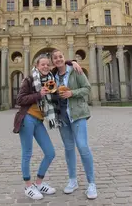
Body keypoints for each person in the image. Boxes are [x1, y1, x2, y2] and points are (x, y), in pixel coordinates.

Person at [13, 54, 82, 200]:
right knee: (27, 153)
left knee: (50, 152)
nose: (45, 66)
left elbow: (61, 64)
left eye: (47, 64)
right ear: (36, 66)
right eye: (42, 64)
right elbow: (19, 99)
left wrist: (73, 62)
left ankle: (38, 183)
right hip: (27, 118)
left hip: (38, 120)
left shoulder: (51, 78)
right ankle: (28, 186)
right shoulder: (29, 79)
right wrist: (39, 94)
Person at [51, 49, 97, 200]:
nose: (58, 59)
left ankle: (91, 183)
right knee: (69, 148)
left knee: (83, 146)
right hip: (62, 116)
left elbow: (87, 88)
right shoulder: (53, 76)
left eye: (60, 57)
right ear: (53, 61)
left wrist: (72, 93)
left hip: (77, 114)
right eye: (55, 58)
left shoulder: (75, 70)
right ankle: (72, 180)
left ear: (64, 58)